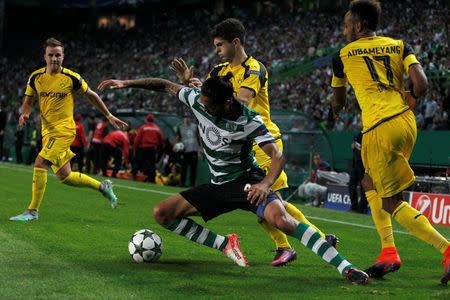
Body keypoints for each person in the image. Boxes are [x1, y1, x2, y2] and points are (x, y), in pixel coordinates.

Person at [98, 73, 369, 284]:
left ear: (227, 103)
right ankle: (226, 243)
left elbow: (277, 156)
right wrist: (126, 83)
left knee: (283, 220)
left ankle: (346, 268)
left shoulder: (250, 120)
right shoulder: (199, 101)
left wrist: (264, 185)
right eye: (200, 102)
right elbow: (166, 86)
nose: (201, 107)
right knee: (161, 214)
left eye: (208, 105)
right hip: (217, 186)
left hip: (247, 183)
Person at [171, 18, 336, 267]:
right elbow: (208, 98)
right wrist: (189, 84)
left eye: (220, 45)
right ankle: (320, 239)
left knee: (267, 203)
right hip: (237, 144)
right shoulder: (218, 71)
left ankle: (288, 247)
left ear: (235, 42)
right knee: (272, 204)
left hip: (263, 143)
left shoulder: (255, 69)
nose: (216, 50)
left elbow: (243, 101)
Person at [330, 0, 450, 284]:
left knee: (390, 201)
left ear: (358, 26)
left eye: (347, 25)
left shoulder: (342, 56)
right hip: (406, 122)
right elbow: (420, 84)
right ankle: (388, 251)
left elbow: (340, 99)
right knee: (369, 183)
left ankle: (446, 249)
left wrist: (335, 109)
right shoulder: (398, 45)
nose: (345, 29)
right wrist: (413, 97)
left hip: (378, 127)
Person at [9, 37, 127, 222]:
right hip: (47, 132)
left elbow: (92, 96)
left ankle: (32, 211)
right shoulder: (36, 77)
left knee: (40, 163)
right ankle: (103, 187)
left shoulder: (72, 78)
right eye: (51, 55)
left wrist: (109, 115)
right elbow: (29, 101)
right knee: (65, 176)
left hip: (64, 130)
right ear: (45, 56)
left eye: (58, 55)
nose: (54, 58)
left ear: (63, 57)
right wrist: (25, 114)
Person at [132, 114, 163, 182]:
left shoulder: (143, 127)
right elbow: (161, 141)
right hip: (152, 149)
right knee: (151, 165)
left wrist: (135, 149)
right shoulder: (157, 128)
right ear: (153, 120)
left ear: (146, 120)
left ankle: (134, 176)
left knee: (138, 162)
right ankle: (152, 179)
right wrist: (160, 148)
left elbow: (137, 139)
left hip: (143, 148)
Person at [175, 111, 201, 187]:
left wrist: (201, 148)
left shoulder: (195, 127)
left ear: (190, 119)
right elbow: (177, 137)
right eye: (185, 117)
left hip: (194, 150)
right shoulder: (180, 127)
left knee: (193, 169)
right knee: (183, 169)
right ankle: (182, 183)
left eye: (188, 117)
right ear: (183, 119)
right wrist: (175, 146)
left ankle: (192, 185)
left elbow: (199, 137)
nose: (187, 119)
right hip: (184, 151)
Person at [349, 132, 367, 213]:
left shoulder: (370, 134)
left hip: (364, 165)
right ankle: (354, 206)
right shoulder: (359, 134)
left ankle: (362, 208)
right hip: (355, 164)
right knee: (352, 185)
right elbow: (353, 146)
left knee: (363, 187)